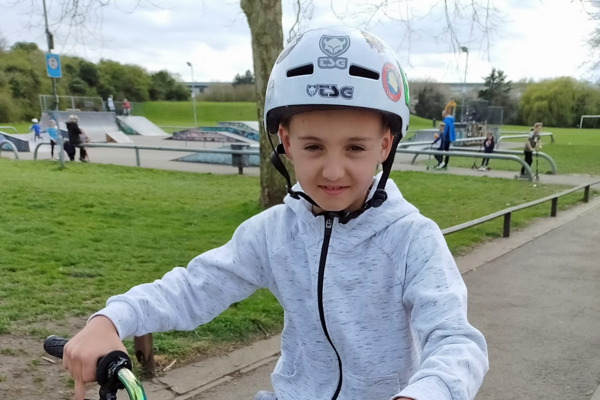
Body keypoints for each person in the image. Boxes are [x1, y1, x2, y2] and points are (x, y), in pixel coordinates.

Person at [62, 27, 488, 400]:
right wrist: (113, 318)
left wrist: (426, 392)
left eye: (355, 148)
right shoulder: (274, 233)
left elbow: (455, 341)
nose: (333, 170)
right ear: (284, 141)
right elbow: (194, 287)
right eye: (313, 146)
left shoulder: (412, 238)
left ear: (385, 145)